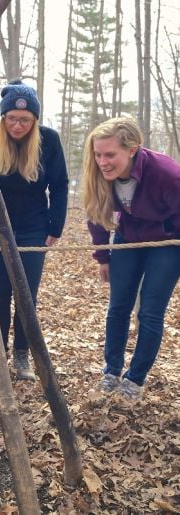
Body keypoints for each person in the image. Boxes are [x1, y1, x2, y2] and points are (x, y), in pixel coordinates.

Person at [0, 80, 68, 380]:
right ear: (3, 118)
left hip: (33, 227)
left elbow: (60, 185)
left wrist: (56, 225)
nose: (17, 125)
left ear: (34, 120)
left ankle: (22, 354)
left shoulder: (49, 141)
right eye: (11, 118)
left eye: (25, 120)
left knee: (26, 295)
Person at [82, 117, 180, 402]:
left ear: (133, 149)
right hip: (127, 238)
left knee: (149, 311)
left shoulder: (166, 173)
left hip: (167, 242)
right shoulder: (98, 172)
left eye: (110, 154)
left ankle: (134, 380)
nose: (103, 161)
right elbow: (96, 215)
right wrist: (103, 255)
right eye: (98, 154)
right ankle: (111, 372)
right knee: (118, 307)